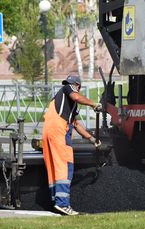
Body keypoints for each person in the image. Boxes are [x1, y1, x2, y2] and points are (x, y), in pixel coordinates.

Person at [42, 75, 102, 215]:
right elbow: (76, 97)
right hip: (58, 131)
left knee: (54, 166)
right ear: (77, 85)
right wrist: (94, 104)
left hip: (48, 131)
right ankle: (62, 204)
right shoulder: (68, 89)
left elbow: (75, 123)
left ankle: (55, 201)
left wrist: (91, 139)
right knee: (65, 165)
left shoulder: (61, 102)